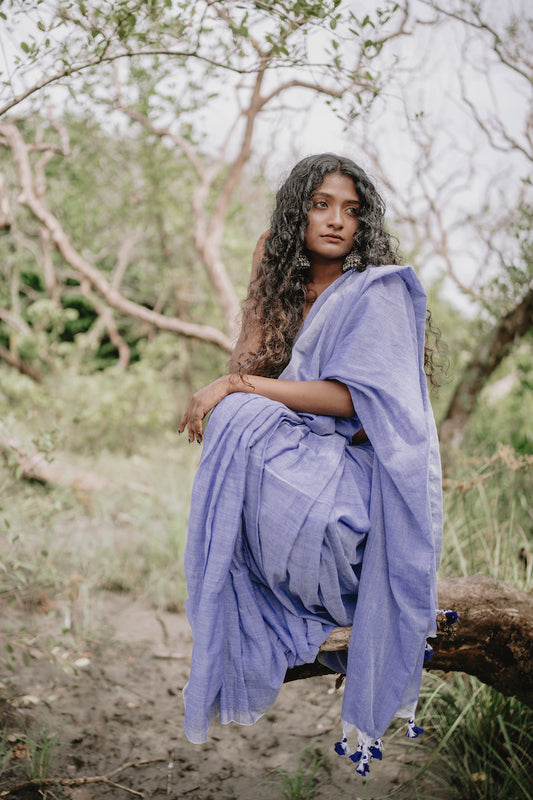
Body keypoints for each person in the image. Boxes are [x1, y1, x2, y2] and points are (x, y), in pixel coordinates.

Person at [178, 153, 443, 776]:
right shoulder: (284, 283)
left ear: (364, 224)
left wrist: (234, 385)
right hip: (300, 461)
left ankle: (324, 589)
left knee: (241, 410)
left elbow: (350, 400)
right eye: (321, 204)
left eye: (351, 210)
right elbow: (252, 361)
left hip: (357, 479)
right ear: (297, 212)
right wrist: (258, 283)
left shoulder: (374, 291)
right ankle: (268, 592)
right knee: (238, 420)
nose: (336, 221)